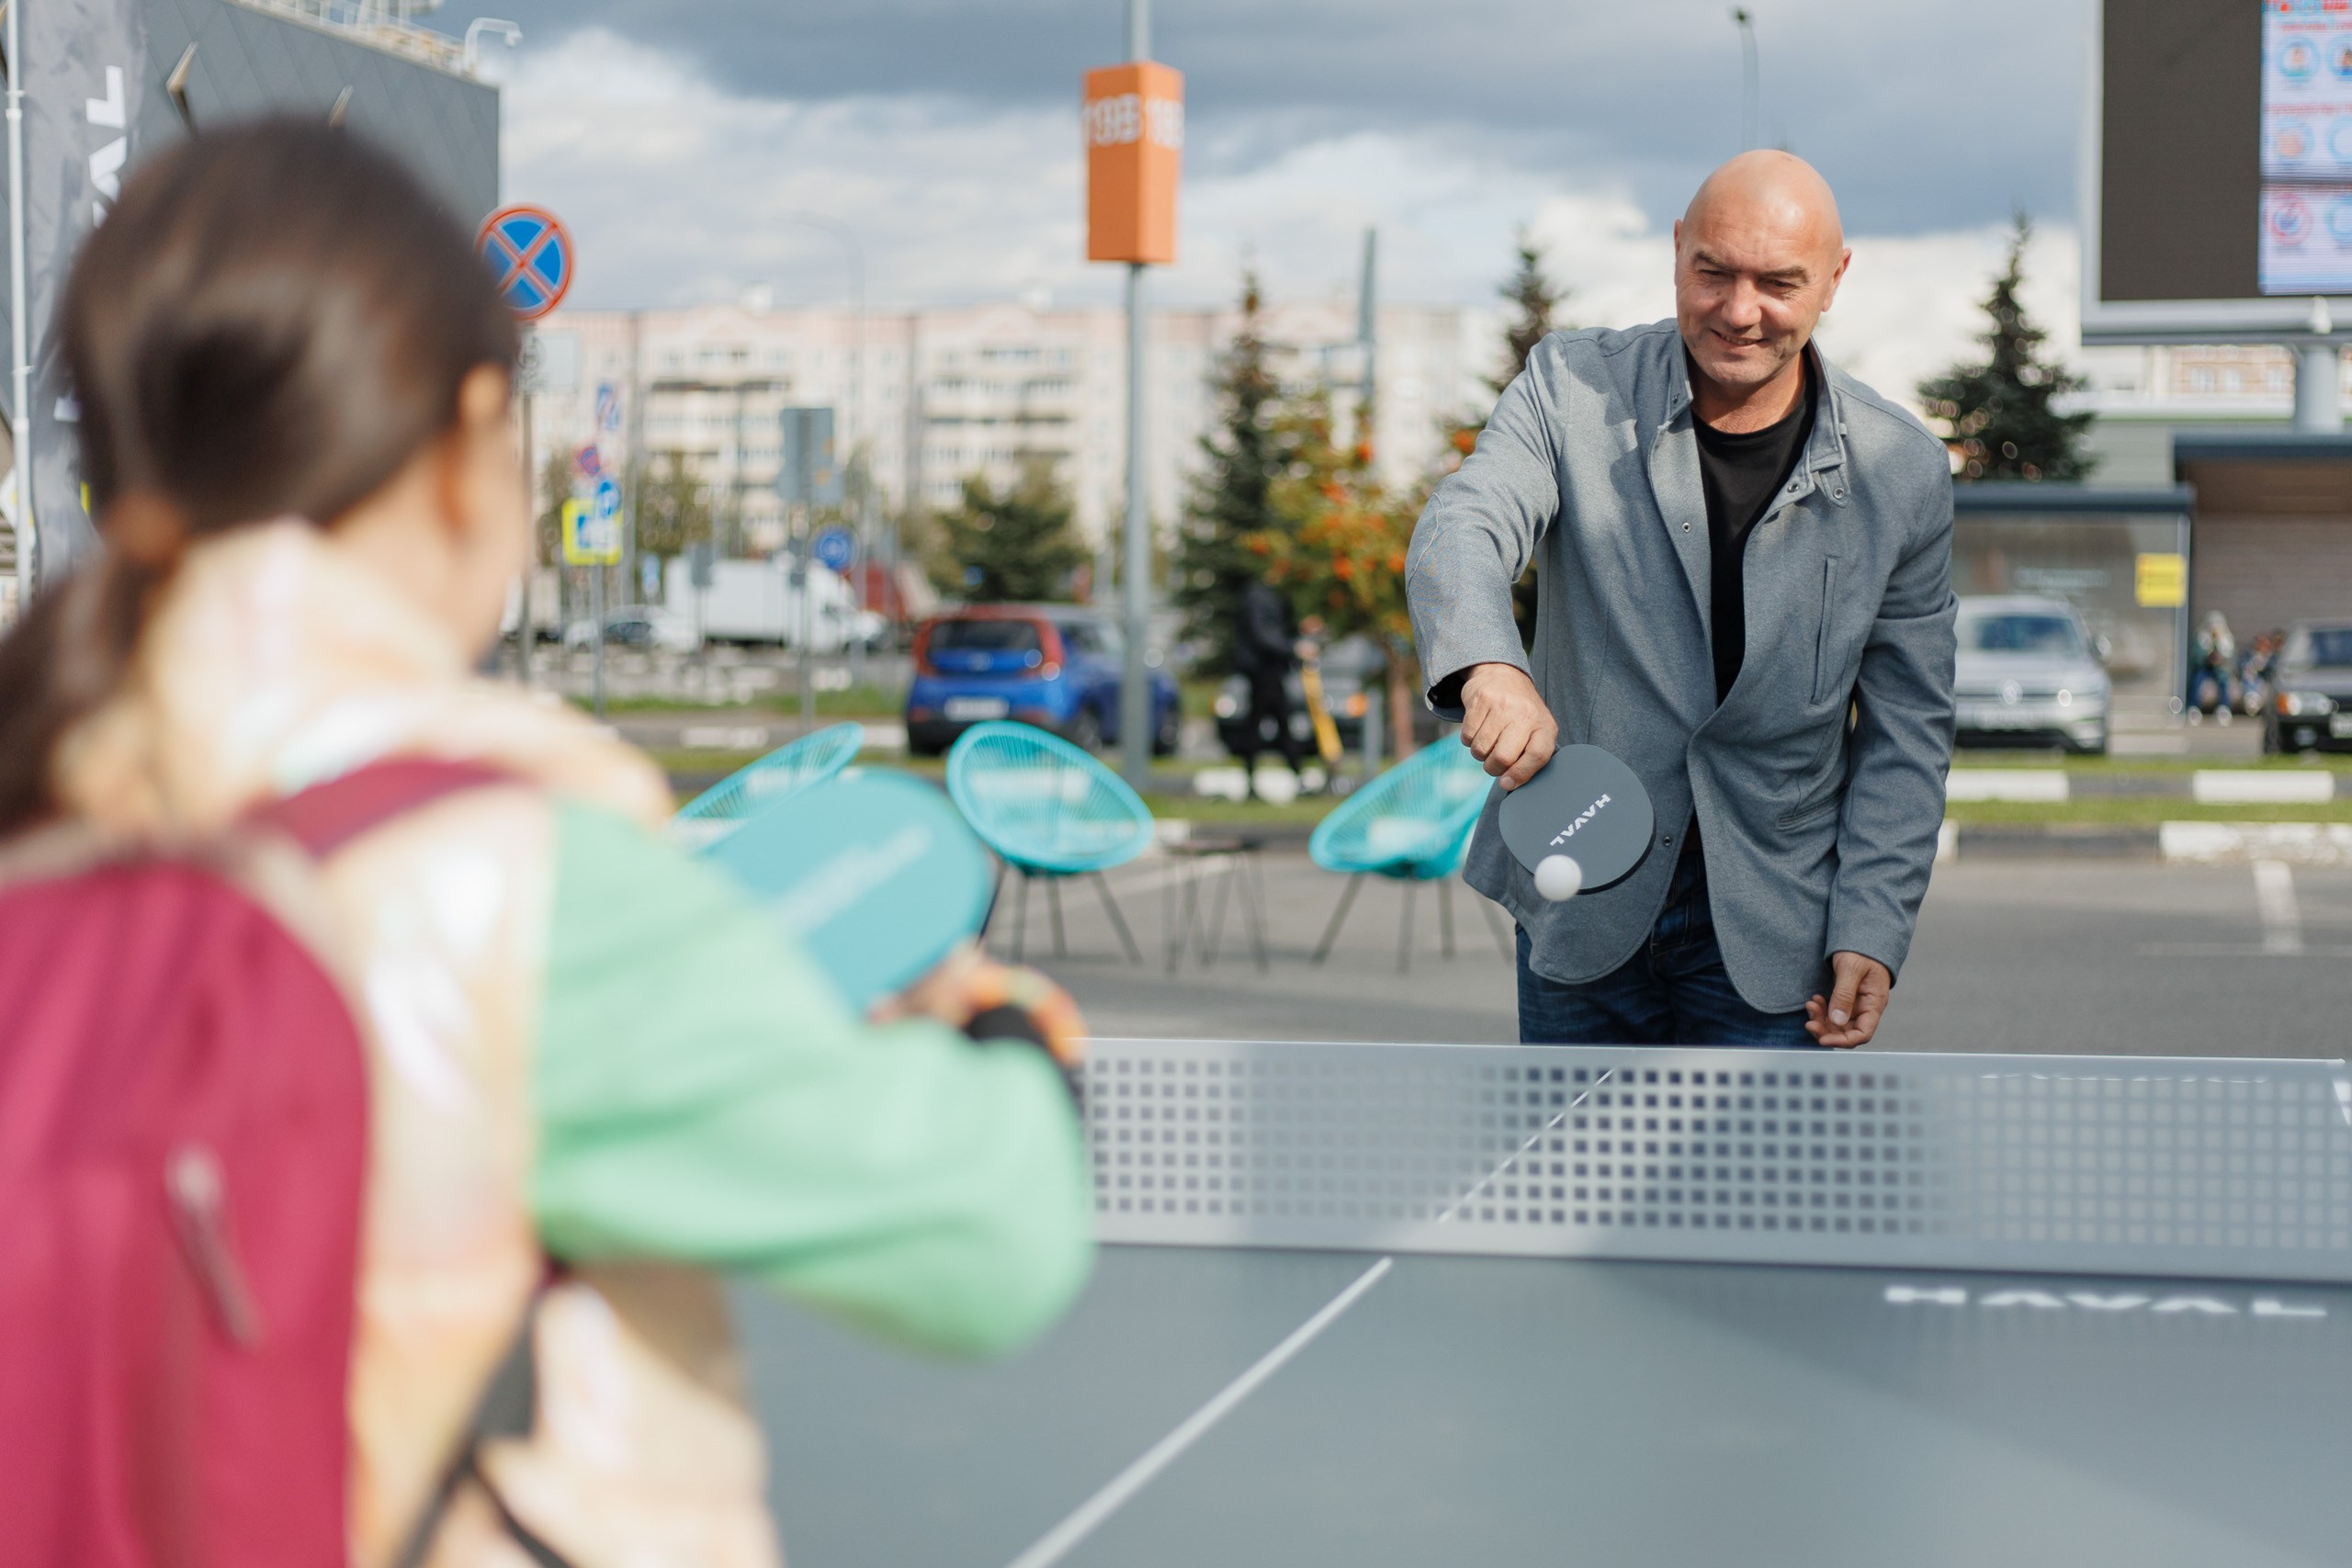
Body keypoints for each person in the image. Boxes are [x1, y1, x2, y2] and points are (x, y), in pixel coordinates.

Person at [0, 122, 1091, 1567]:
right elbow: (988, 1239)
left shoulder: (41, 817)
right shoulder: (510, 865)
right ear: (467, 438)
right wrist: (1009, 1034)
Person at [1405, 151, 1957, 1049]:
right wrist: (1488, 665)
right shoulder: (1567, 387)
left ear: (1834, 280)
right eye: (1714, 272)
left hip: (1778, 928)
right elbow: (1464, 520)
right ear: (1675, 250)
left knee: (1762, 1159)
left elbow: (1908, 728)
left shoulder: (1903, 471)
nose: (1739, 310)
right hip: (1580, 887)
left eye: (1778, 282)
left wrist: (1873, 920)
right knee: (1573, 1153)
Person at [1231, 577, 1308, 796]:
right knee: (1266, 725)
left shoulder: (1276, 594)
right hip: (1262, 672)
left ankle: (1293, 776)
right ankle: (1258, 781)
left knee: (1276, 725)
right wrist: (1293, 648)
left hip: (1272, 670)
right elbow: (1262, 635)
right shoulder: (1257, 596)